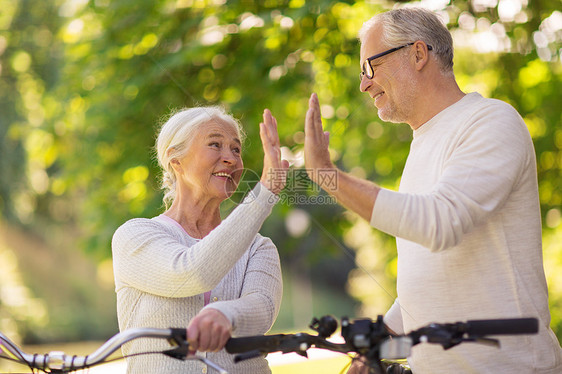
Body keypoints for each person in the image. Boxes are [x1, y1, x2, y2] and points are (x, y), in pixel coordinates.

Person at [303, 7, 562, 374]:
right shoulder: (422, 145)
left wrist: (327, 175)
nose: (364, 84)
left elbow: (440, 223)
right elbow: (433, 275)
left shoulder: (490, 122)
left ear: (418, 53)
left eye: (369, 67)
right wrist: (380, 338)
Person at [112, 106, 288, 373]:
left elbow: (261, 309)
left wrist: (226, 315)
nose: (230, 158)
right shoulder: (134, 235)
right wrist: (264, 194)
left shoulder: (258, 246)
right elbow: (190, 272)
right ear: (176, 160)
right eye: (215, 145)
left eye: (236, 149)